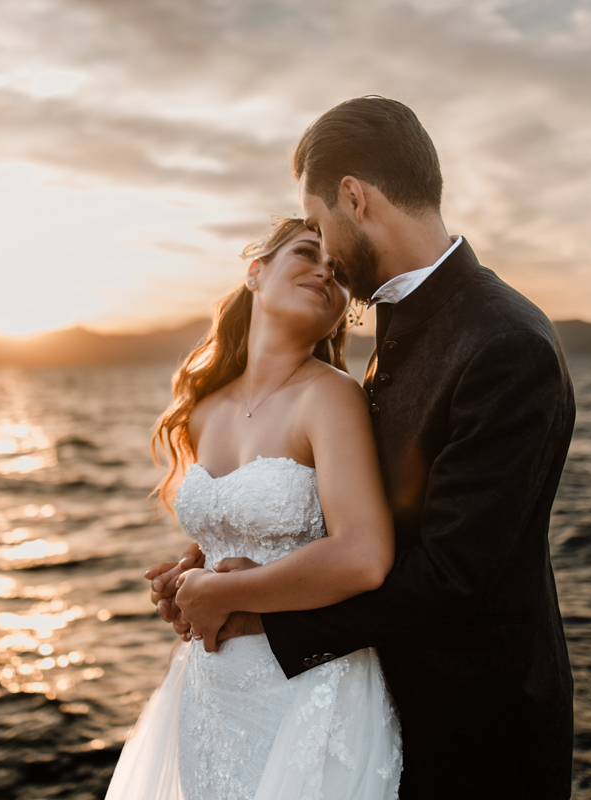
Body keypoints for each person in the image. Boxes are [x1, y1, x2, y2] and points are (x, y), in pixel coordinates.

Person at [149, 96, 577, 799]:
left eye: (319, 225)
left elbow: (450, 573)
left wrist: (248, 603)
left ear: (355, 197)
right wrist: (225, 563)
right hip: (370, 706)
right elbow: (351, 502)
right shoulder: (397, 336)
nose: (327, 262)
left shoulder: (505, 345)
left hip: (477, 734)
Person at [104, 217, 404, 800]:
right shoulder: (203, 410)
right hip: (210, 692)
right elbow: (227, 536)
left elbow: (364, 556)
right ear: (255, 273)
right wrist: (186, 580)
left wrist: (224, 593)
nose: (325, 271)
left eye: (339, 272)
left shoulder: (331, 396)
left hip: (307, 692)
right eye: (307, 252)